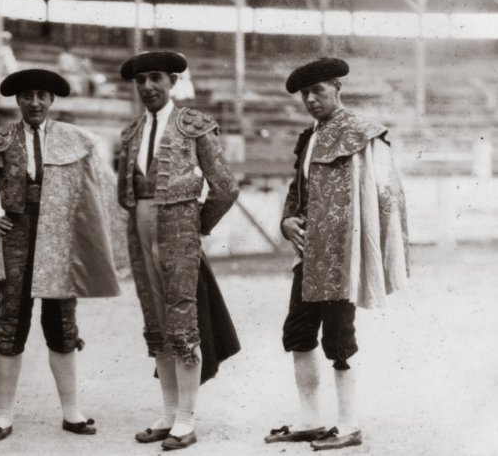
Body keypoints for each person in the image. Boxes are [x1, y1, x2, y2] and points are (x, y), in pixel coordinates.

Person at [0, 69, 119, 442]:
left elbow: (100, 188)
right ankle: (3, 415)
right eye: (27, 96)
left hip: (60, 238)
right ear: (17, 101)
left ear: (52, 100)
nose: (35, 102)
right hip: (17, 235)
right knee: (12, 323)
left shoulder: (74, 139)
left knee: (62, 324)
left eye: (42, 95)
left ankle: (72, 412)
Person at [263, 58, 409, 451]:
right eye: (305, 94)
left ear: (337, 88)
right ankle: (310, 420)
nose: (310, 100)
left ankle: (348, 424)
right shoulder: (307, 138)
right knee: (297, 333)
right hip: (309, 254)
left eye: (318, 91)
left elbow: (385, 194)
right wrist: (286, 221)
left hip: (343, 255)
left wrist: (366, 247)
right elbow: (297, 191)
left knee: (339, 340)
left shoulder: (362, 132)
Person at [117, 51, 241, 451]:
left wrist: (198, 224)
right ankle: (169, 412)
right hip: (140, 226)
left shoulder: (193, 125)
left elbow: (225, 185)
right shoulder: (133, 131)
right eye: (141, 81)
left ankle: (186, 419)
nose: (148, 87)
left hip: (179, 228)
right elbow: (126, 192)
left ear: (172, 82)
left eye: (156, 78)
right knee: (156, 318)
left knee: (182, 318)